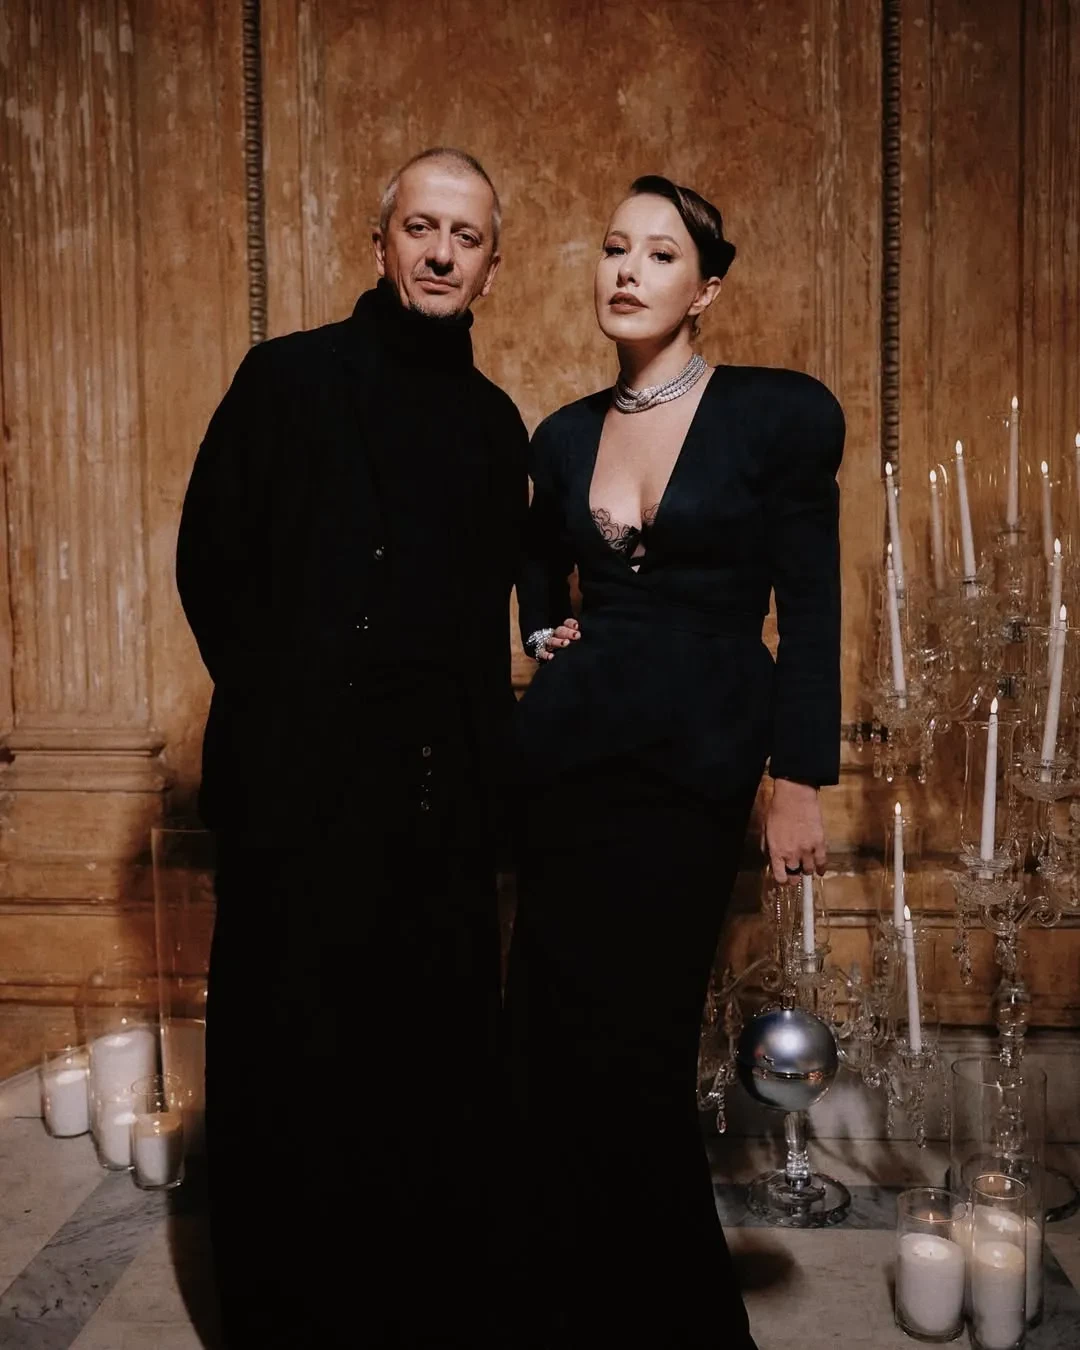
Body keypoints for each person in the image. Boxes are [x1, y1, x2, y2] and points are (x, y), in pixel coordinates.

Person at [176, 147, 527, 1349]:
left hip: (438, 814)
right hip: (297, 801)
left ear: (491, 269)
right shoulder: (285, 380)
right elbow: (209, 561)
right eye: (421, 227)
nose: (440, 252)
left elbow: (487, 624)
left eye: (465, 237)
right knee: (290, 1071)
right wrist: (290, 714)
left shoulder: (497, 426)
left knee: (424, 1084)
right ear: (379, 245)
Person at [504, 175, 843, 1348]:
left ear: (706, 290)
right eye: (614, 247)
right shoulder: (561, 435)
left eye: (659, 254)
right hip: (568, 767)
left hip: (693, 770)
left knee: (638, 1057)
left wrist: (797, 778)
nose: (628, 271)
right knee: (547, 1044)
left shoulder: (774, 415)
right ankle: (554, 1310)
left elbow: (811, 604)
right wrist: (544, 632)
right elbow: (537, 564)